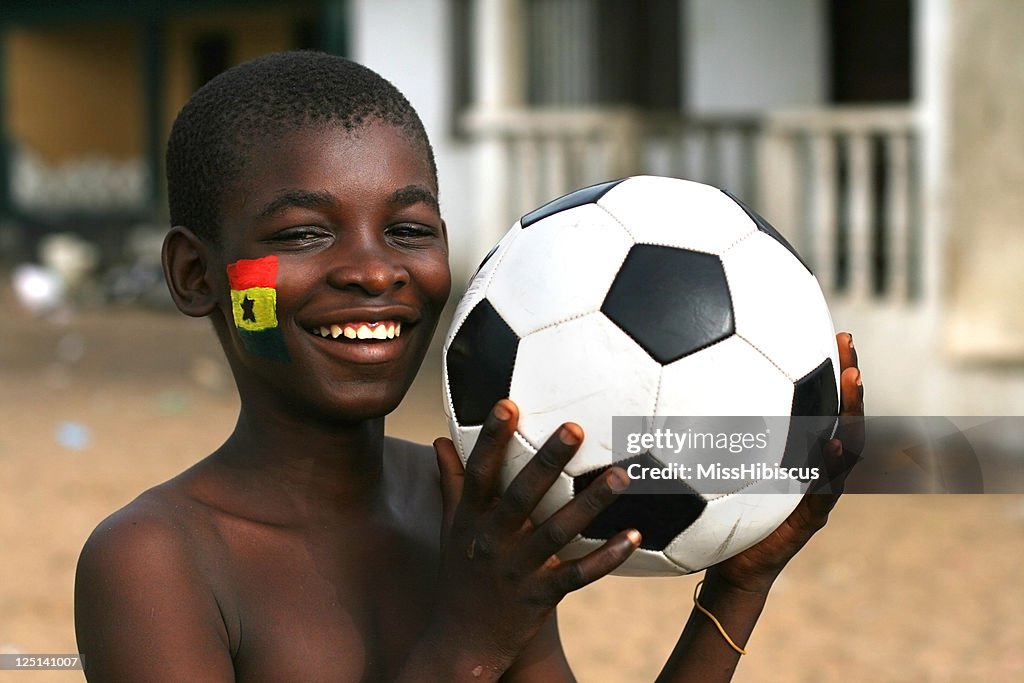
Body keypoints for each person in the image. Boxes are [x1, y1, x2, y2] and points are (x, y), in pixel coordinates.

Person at [74, 51, 864, 682]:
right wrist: (469, 640)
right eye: (307, 233)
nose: (374, 270)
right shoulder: (157, 560)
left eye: (409, 229)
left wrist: (740, 582)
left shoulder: (469, 503)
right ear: (196, 274)